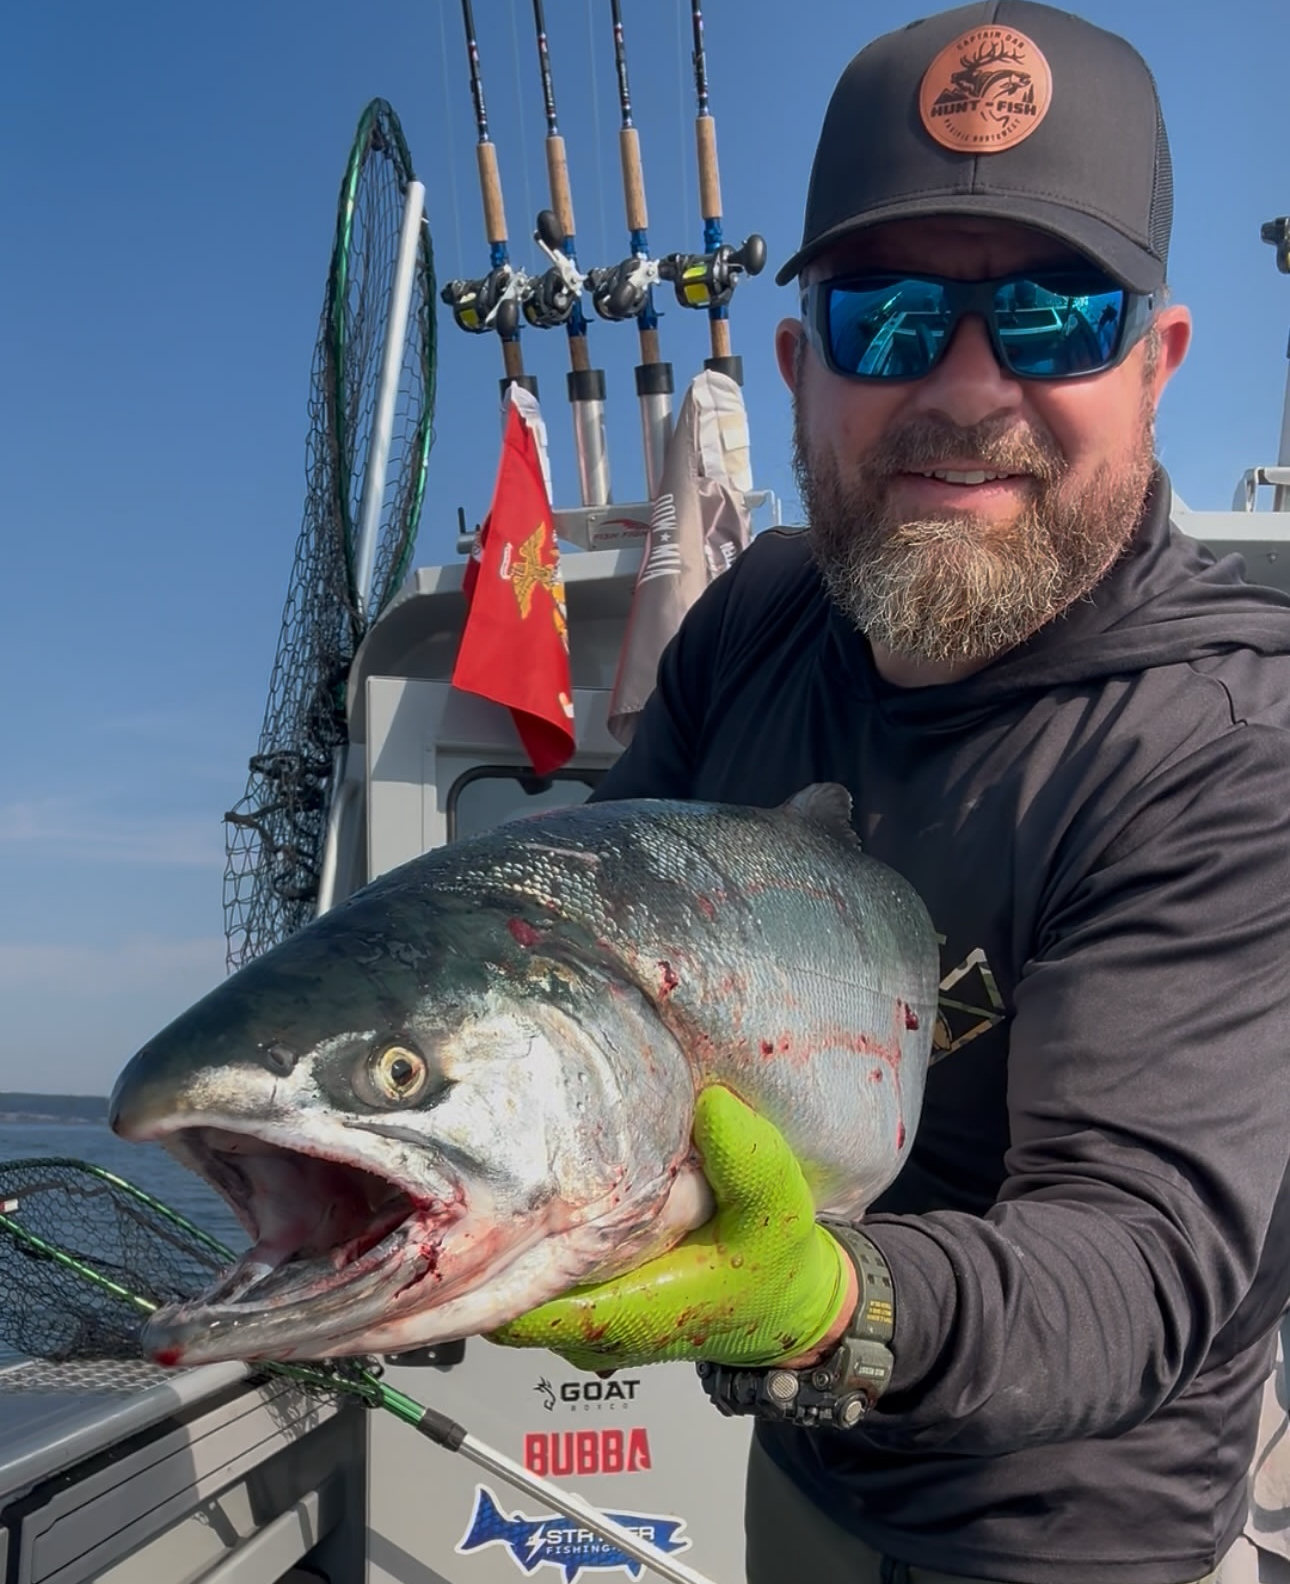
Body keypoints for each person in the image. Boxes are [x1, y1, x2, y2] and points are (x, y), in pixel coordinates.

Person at [491, 2, 1290, 1580]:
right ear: (802, 366)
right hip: (805, 1479)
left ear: (1155, 365)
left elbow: (1136, 1254)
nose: (970, 388)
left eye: (1055, 316)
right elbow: (579, 945)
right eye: (891, 314)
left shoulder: (1226, 747)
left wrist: (831, 1304)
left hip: (1078, 1539)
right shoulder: (757, 616)